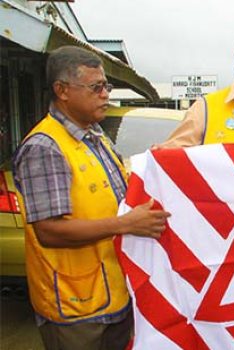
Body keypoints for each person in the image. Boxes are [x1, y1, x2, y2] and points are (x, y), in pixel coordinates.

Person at [13, 46, 171, 350]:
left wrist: (156, 165)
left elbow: (120, 193)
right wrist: (125, 224)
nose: (105, 94)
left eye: (106, 86)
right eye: (95, 87)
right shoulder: (46, 148)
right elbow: (49, 231)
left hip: (114, 294)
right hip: (76, 307)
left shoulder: (95, 137)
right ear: (62, 91)